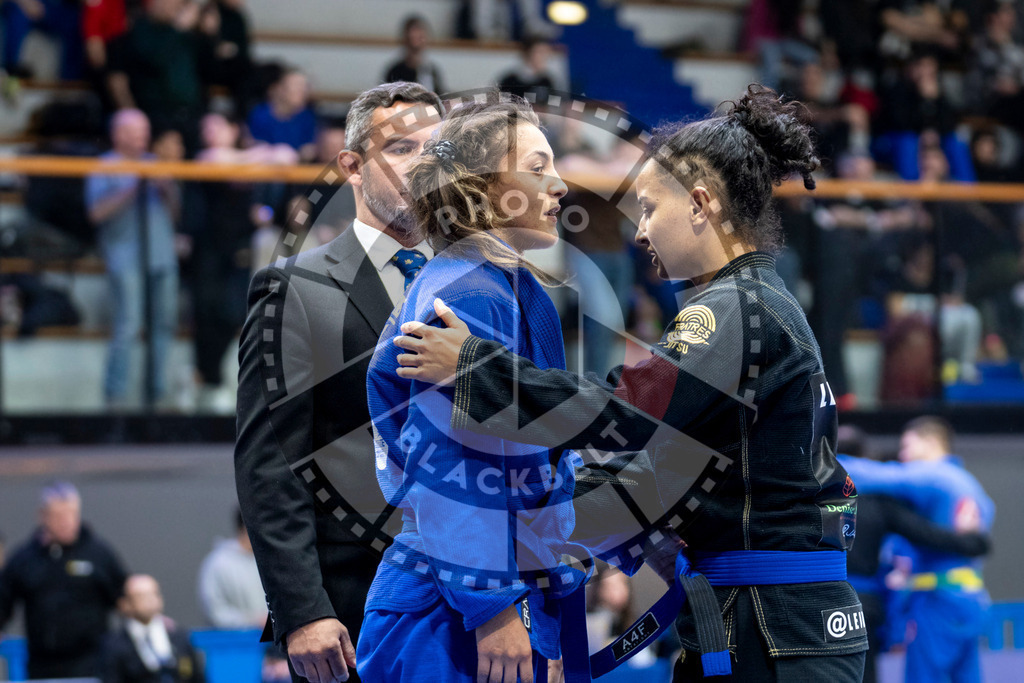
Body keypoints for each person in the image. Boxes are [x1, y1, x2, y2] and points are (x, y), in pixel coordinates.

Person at [395, 85, 868, 681]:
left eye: (648, 208)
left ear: (699, 204)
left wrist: (474, 370)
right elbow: (666, 470)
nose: (640, 233)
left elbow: (626, 413)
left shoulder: (736, 309)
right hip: (775, 618)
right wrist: (551, 515)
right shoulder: (758, 302)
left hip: (770, 625)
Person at [361, 93, 596, 683]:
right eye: (538, 167)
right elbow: (450, 462)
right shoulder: (468, 291)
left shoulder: (496, 281)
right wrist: (492, 604)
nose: (560, 185)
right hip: (451, 604)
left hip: (486, 578)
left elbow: (534, 446)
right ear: (483, 189)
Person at [235, 81, 444, 683]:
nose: (423, 166)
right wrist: (302, 611)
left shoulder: (478, 280)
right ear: (352, 166)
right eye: (401, 149)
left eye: (435, 151)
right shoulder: (293, 288)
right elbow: (271, 465)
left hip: (473, 600)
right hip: (351, 606)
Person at [839, 417, 994, 683]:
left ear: (931, 443)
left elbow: (873, 476)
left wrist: (823, 460)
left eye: (907, 446)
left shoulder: (932, 476)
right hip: (971, 597)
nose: (902, 456)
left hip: (938, 600)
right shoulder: (972, 486)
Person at [86, 109, 180, 408]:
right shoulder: (104, 166)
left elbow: (175, 214)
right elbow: (96, 213)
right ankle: (116, 400)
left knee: (164, 325)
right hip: (125, 257)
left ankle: (156, 396)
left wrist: (166, 187)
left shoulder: (156, 163)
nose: (142, 136)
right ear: (117, 134)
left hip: (162, 256)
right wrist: (134, 185)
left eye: (144, 130)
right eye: (134, 131)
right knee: (127, 325)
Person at [0, 481, 129, 679]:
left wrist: (151, 619)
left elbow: (124, 596)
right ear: (42, 515)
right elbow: (3, 601)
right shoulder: (25, 558)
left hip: (92, 662)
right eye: (59, 515)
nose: (66, 522)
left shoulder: (98, 553)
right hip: (41, 664)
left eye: (72, 514)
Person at [103, 574, 205, 683]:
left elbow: (195, 676)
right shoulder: (114, 645)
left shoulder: (179, 636)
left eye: (154, 594)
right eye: (141, 596)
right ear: (125, 603)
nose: (150, 600)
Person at [198, 509, 266, 628]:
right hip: (233, 637)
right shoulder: (218, 563)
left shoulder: (270, 561)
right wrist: (252, 620)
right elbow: (215, 611)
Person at [247, 68, 318, 162]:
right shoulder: (260, 114)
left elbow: (309, 150)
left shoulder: (307, 117)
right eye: (296, 85)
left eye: (305, 86)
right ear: (279, 89)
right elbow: (252, 146)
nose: (302, 91)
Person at [1, 0, 83, 80]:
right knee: (17, 14)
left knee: (76, 22)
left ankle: (70, 81)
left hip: (60, 7)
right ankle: (10, 70)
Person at [383, 15, 446, 95]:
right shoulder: (394, 72)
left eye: (420, 37)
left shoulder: (432, 71)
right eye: (412, 38)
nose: (416, 42)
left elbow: (440, 97)